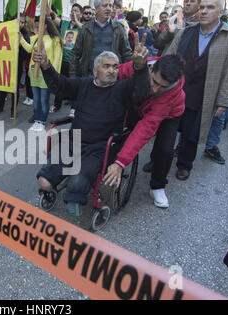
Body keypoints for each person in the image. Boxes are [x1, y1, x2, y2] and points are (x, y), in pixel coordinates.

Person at [34, 35, 150, 217]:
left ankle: (77, 199)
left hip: (100, 148)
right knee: (44, 182)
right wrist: (47, 66)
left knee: (77, 184)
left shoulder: (122, 88)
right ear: (95, 71)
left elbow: (141, 92)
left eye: (115, 67)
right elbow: (61, 86)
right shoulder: (84, 85)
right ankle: (63, 189)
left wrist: (141, 68)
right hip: (74, 141)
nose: (112, 71)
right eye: (106, 66)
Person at [166, 0, 228, 180]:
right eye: (202, 7)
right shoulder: (185, 32)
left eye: (210, 8)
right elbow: (169, 57)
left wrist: (223, 101)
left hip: (202, 94)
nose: (204, 11)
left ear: (220, 11)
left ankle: (184, 165)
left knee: (191, 134)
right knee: (166, 130)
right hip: (176, 93)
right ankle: (158, 160)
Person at [104, 54, 186, 208]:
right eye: (154, 81)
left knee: (165, 150)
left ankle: (158, 186)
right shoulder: (140, 64)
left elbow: (145, 129)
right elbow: (116, 73)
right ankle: (106, 167)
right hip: (140, 106)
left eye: (162, 86)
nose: (155, 89)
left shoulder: (171, 93)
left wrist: (121, 162)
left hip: (170, 114)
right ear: (151, 68)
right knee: (118, 132)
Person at [70, 0, 133, 79]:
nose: (109, 9)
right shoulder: (86, 28)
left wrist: (126, 76)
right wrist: (73, 76)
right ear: (96, 9)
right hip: (89, 76)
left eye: (110, 6)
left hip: (111, 77)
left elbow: (126, 53)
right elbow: (75, 53)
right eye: (105, 5)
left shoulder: (118, 29)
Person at [20, 16, 63, 131]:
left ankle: (42, 121)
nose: (37, 28)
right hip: (34, 73)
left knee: (44, 99)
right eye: (36, 26)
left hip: (47, 74)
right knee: (36, 99)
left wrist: (54, 75)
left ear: (46, 25)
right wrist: (21, 39)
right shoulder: (35, 38)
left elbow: (57, 59)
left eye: (39, 26)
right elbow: (30, 49)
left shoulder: (55, 40)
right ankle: (37, 120)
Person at [51, 3, 84, 114]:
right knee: (60, 83)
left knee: (74, 84)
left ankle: (73, 108)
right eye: (72, 11)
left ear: (81, 14)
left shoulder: (83, 26)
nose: (73, 13)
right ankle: (57, 104)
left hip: (75, 62)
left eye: (76, 11)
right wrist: (46, 6)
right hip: (63, 60)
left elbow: (87, 32)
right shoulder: (65, 24)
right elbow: (53, 17)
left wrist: (77, 22)